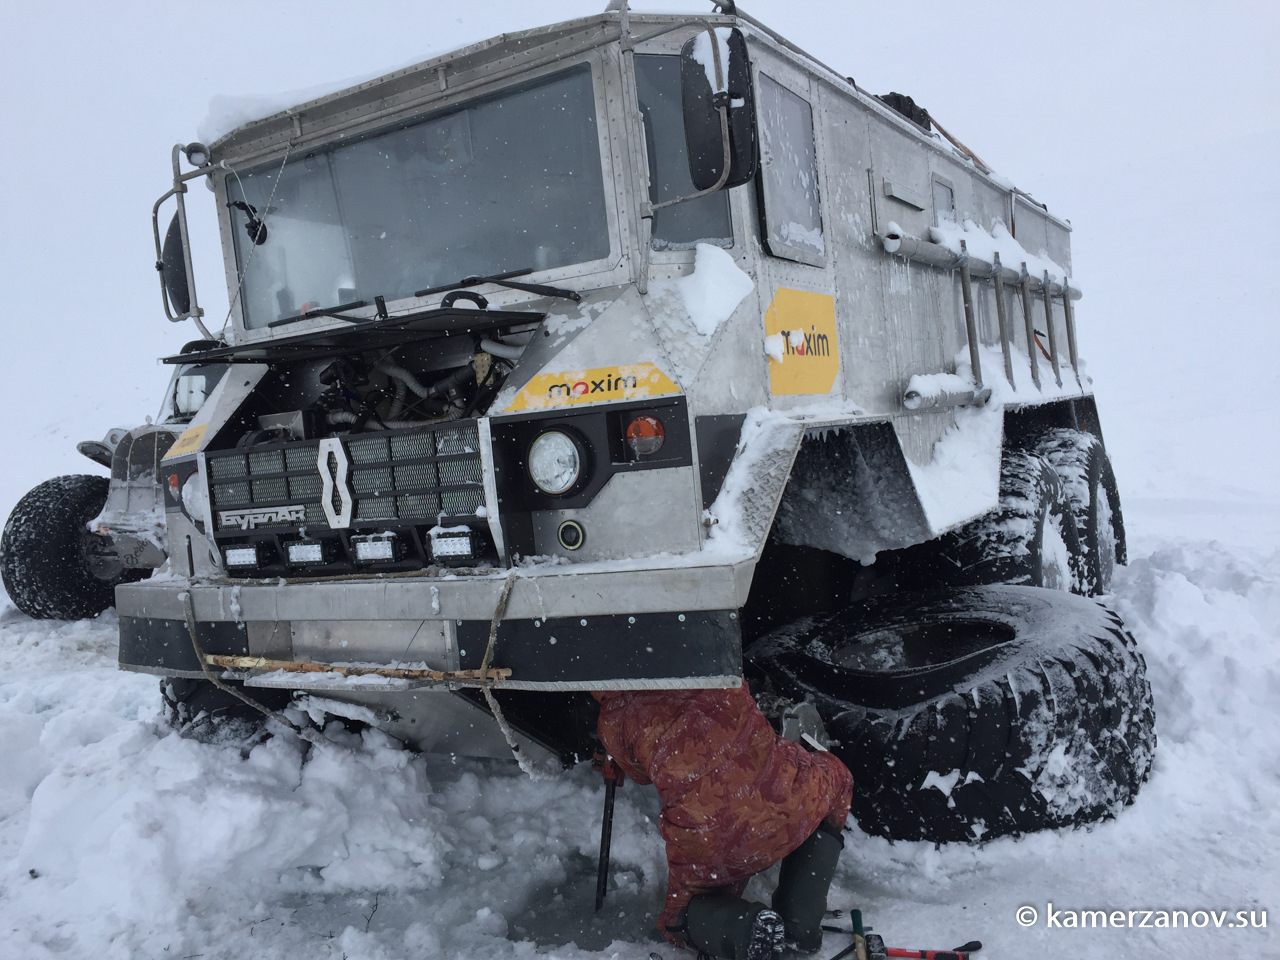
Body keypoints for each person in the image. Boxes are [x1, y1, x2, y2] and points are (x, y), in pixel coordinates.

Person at [593, 683, 854, 960]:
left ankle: (748, 930)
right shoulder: (719, 668)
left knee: (678, 920)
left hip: (710, 839)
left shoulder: (615, 718)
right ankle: (800, 923)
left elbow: (640, 775)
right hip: (785, 795)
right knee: (839, 781)